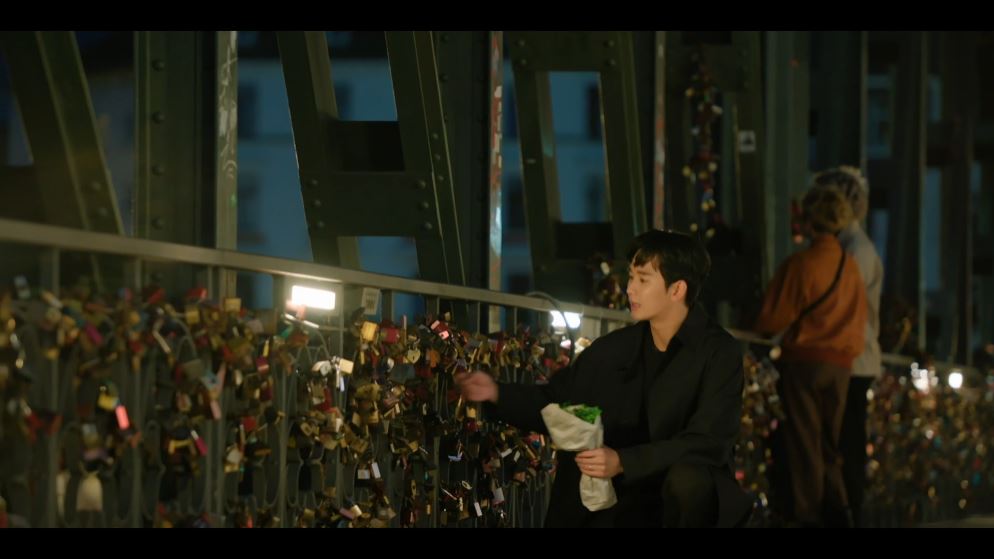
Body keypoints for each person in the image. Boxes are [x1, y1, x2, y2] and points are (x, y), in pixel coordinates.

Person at [457, 229, 753, 527]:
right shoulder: (615, 349)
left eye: (643, 280)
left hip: (684, 500)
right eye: (631, 278)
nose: (630, 289)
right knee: (580, 467)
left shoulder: (718, 352)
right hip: (621, 493)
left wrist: (624, 462)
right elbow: (561, 402)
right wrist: (497, 393)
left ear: (677, 290)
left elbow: (708, 441)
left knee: (687, 479)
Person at [754, 187, 867, 527]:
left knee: (805, 442)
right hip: (842, 366)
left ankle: (808, 516)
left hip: (804, 362)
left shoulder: (801, 264)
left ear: (810, 220)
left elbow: (771, 320)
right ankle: (839, 510)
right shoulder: (851, 268)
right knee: (830, 444)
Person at [812, 166, 883, 528]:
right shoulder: (857, 246)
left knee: (845, 442)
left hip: (851, 358)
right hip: (857, 357)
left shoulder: (853, 250)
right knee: (848, 440)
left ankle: (849, 510)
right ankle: (852, 509)